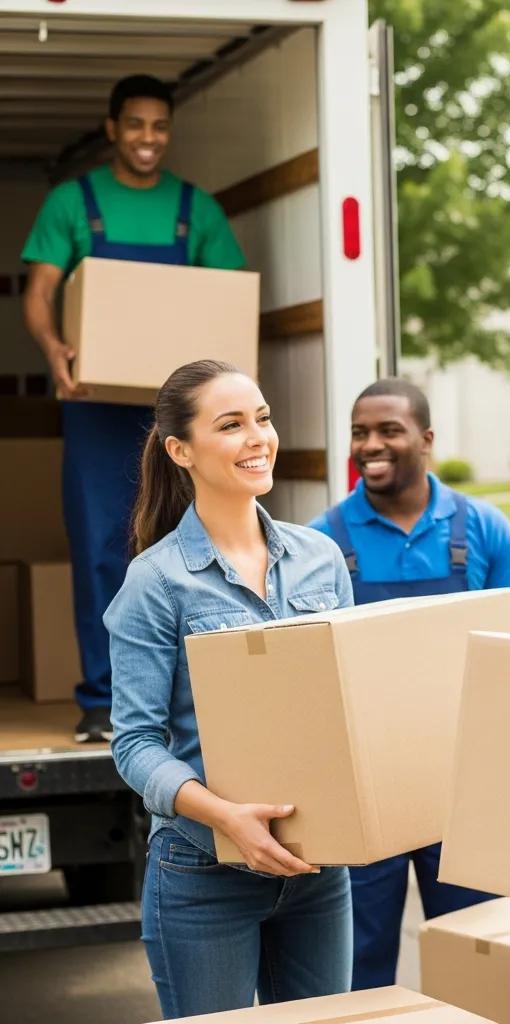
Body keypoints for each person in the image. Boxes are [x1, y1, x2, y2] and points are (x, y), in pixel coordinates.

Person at [105, 361, 353, 1018]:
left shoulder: (321, 559)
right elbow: (134, 744)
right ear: (180, 450)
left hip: (318, 872)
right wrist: (225, 817)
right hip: (203, 875)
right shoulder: (156, 583)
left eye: (263, 419)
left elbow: (350, 707)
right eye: (231, 425)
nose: (258, 438)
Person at [22, 74, 245, 743]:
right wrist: (54, 349)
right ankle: (102, 698)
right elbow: (40, 291)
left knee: (189, 543)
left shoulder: (196, 210)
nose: (149, 138)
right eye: (137, 125)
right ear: (113, 128)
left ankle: (187, 697)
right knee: (101, 546)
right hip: (94, 405)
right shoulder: (74, 202)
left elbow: (229, 299)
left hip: (177, 410)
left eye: (160, 126)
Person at [308, 377, 510, 989]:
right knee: (357, 970)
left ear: (426, 439)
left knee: (480, 961)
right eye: (359, 432)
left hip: (461, 788)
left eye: (389, 430)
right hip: (363, 791)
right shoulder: (322, 542)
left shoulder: (483, 528)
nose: (370, 445)